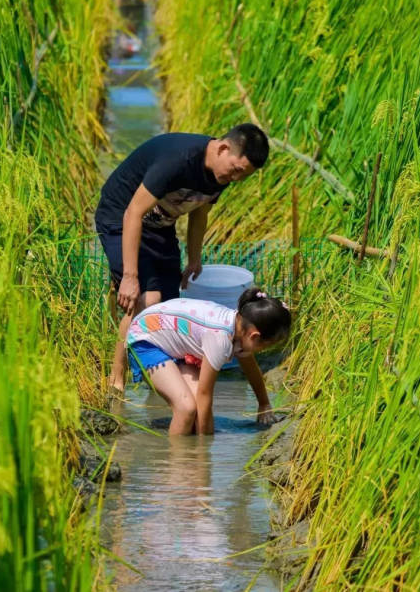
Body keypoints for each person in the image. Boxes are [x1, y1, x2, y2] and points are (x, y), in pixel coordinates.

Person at [94, 125, 270, 398]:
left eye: (243, 176)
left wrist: (195, 258)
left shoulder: (220, 177)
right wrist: (129, 276)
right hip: (121, 216)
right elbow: (133, 213)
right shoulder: (178, 160)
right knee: (145, 300)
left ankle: (158, 377)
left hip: (160, 226)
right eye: (236, 170)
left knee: (166, 307)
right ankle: (117, 379)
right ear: (223, 148)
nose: (235, 178)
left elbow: (199, 212)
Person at [127, 289, 290, 434]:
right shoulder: (220, 338)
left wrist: (264, 404)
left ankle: (185, 454)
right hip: (145, 340)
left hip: (169, 342)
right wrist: (204, 452)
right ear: (254, 336)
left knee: (197, 412)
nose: (262, 351)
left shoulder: (240, 326)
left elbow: (251, 368)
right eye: (266, 346)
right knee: (186, 409)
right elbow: (205, 395)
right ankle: (174, 463)